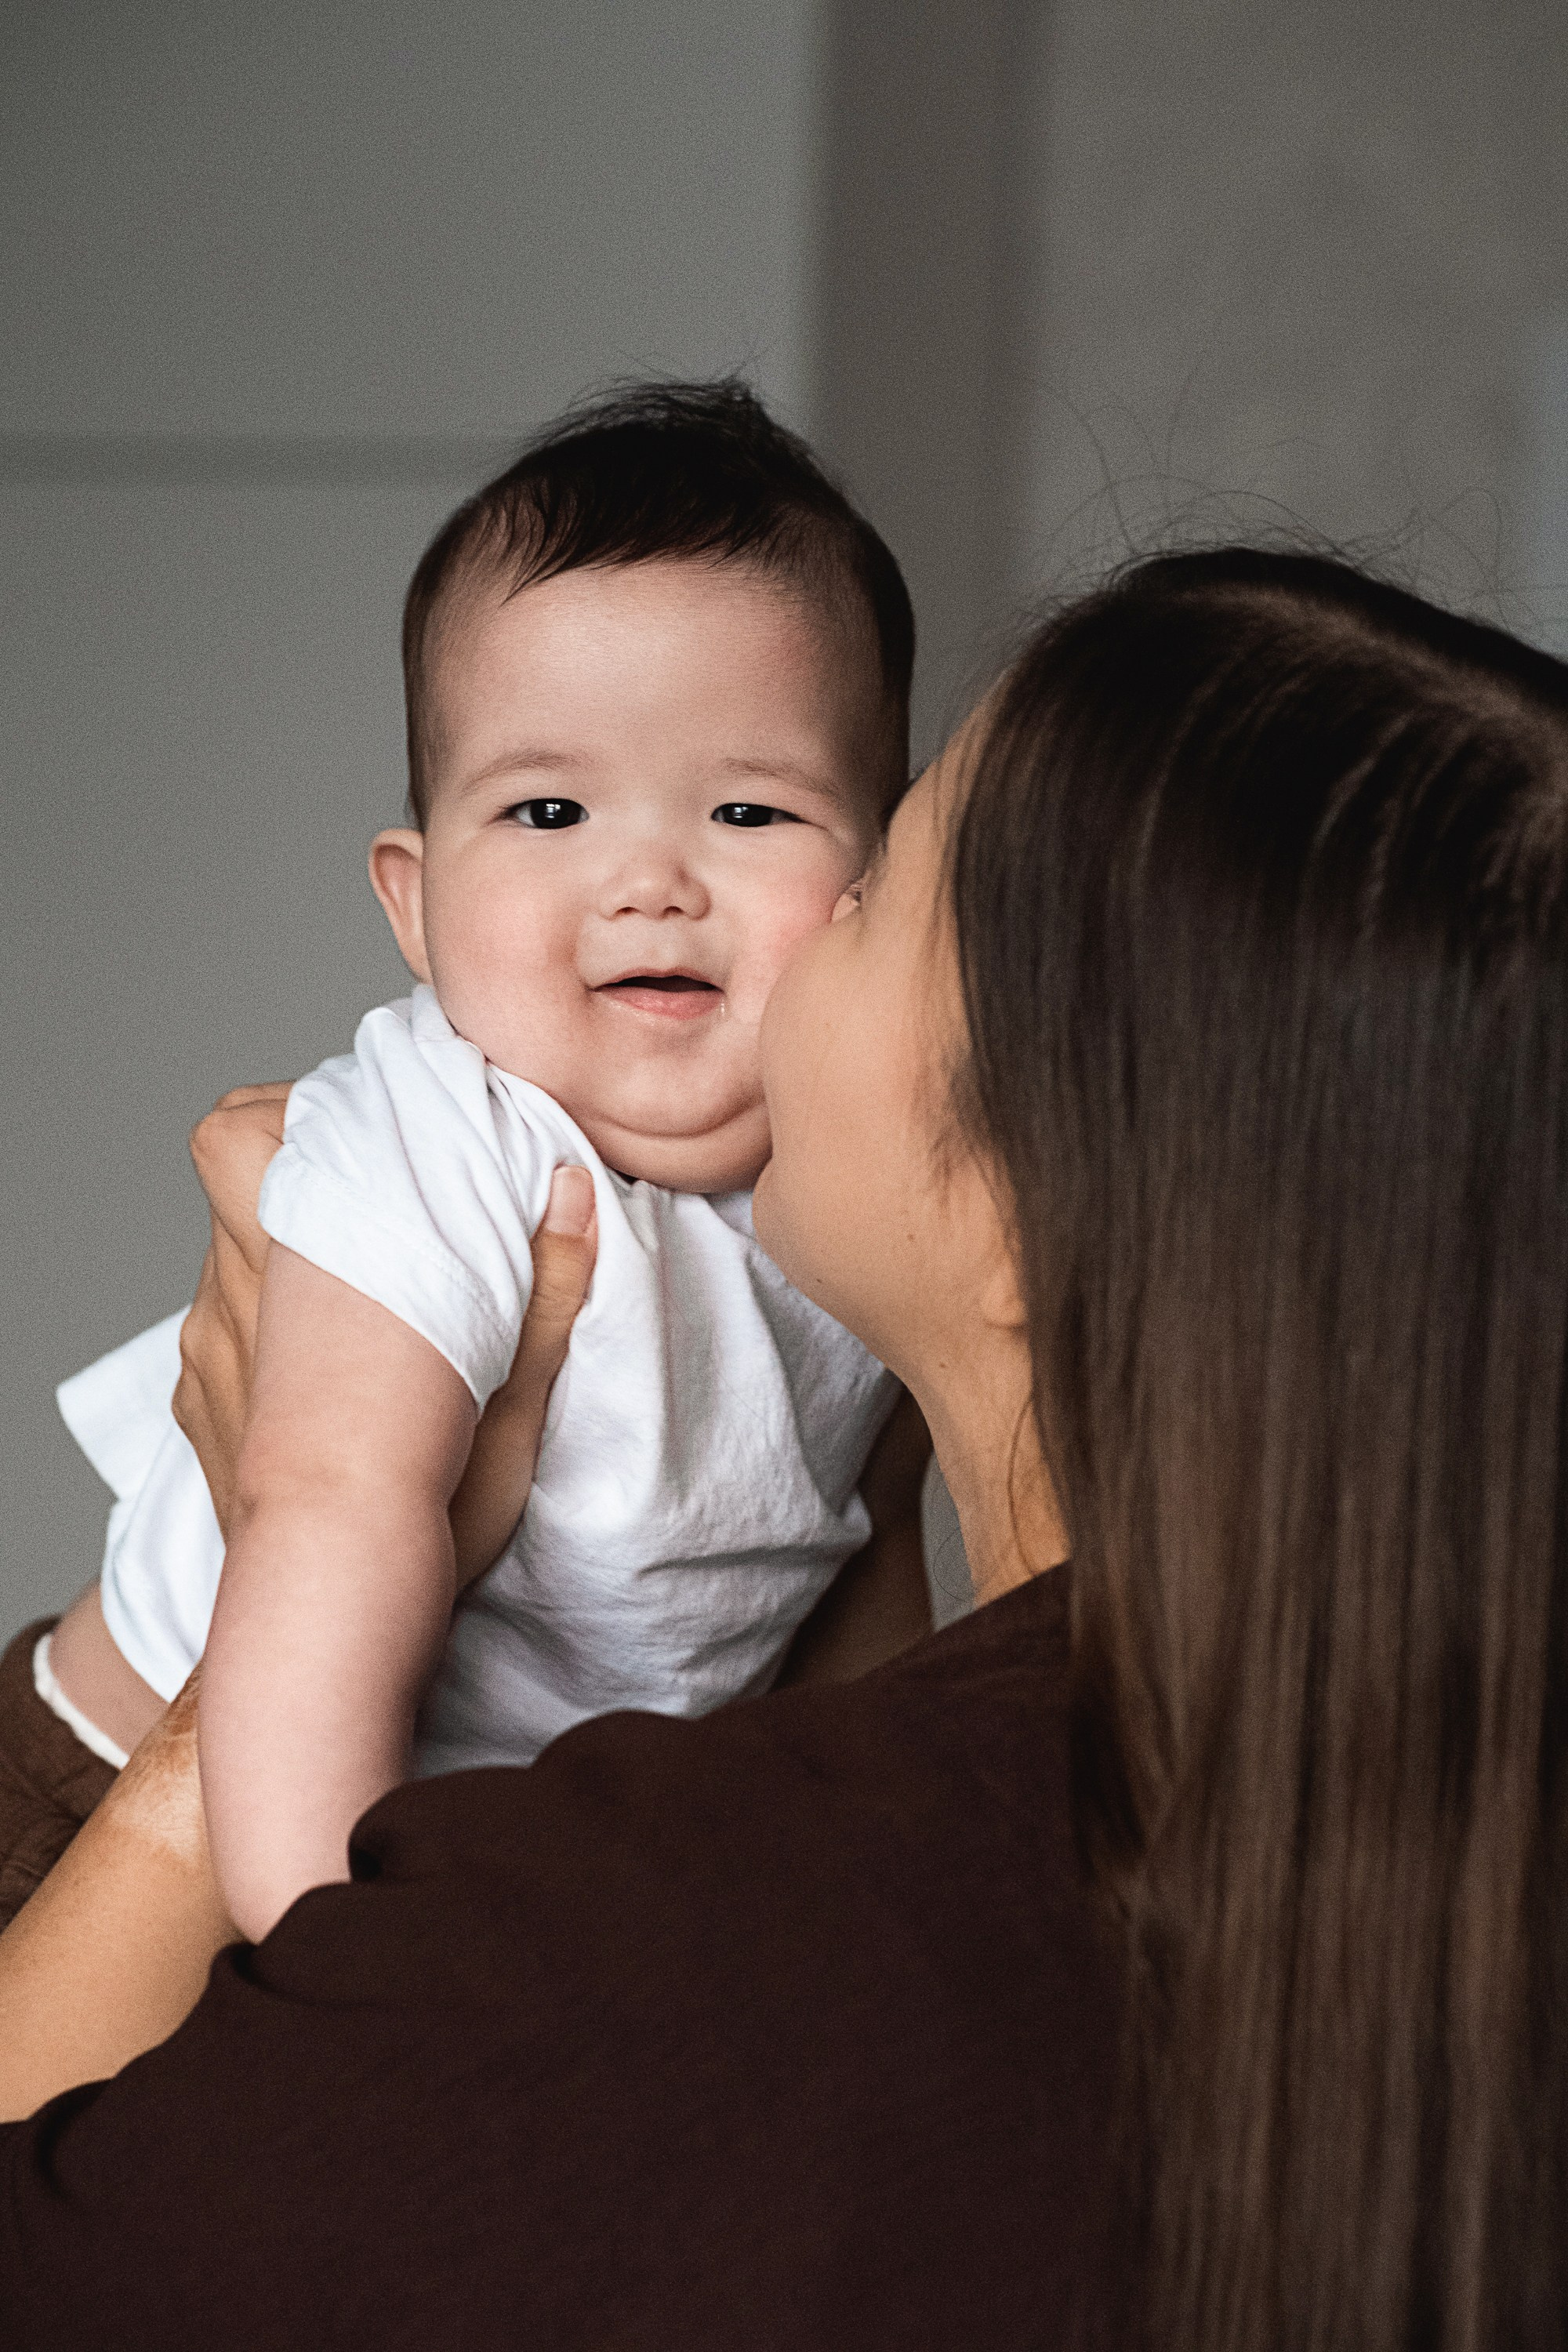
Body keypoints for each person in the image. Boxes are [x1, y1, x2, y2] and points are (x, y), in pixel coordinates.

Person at [2, 546, 1566, 2352]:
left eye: (876, 867)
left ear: (1016, 1214)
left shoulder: (641, 1944)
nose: (733, 906)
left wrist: (239, 1653)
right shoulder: (1397, 1865)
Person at [13, 382, 933, 1940]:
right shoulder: (439, 1136)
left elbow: (853, 1597)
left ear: (889, 875)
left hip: (515, 1846)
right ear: (417, 901)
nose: (649, 879)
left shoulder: (865, 1180)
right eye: (551, 806)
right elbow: (331, 1505)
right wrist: (332, 1934)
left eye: (748, 806)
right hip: (132, 1802)